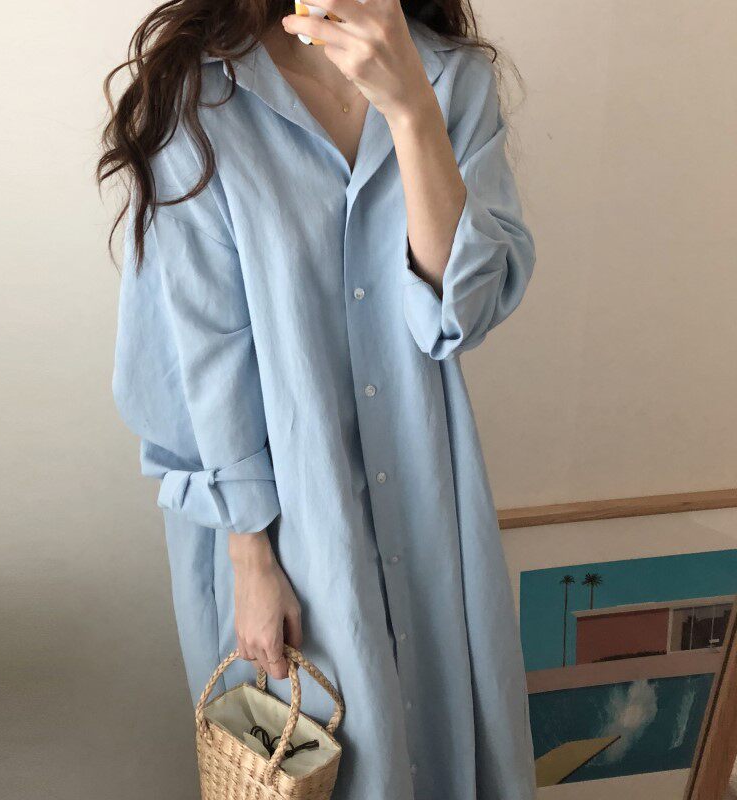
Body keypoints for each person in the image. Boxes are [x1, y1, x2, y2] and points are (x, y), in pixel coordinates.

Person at [100, 0, 537, 795]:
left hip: (431, 503)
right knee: (326, 763)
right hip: (276, 524)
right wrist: (251, 559)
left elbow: (460, 314)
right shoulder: (203, 98)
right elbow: (197, 354)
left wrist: (411, 110)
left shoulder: (454, 81)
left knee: (442, 749)